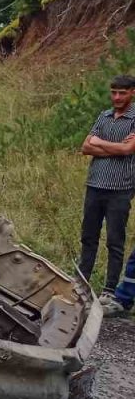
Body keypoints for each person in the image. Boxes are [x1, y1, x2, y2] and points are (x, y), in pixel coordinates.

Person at [79, 74, 135, 318]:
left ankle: (110, 290)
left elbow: (128, 150)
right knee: (88, 236)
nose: (117, 97)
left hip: (120, 188)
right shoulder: (103, 116)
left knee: (115, 240)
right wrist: (116, 148)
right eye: (113, 92)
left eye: (122, 93)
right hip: (95, 184)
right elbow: (85, 146)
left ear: (132, 92)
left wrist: (100, 143)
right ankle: (80, 283)